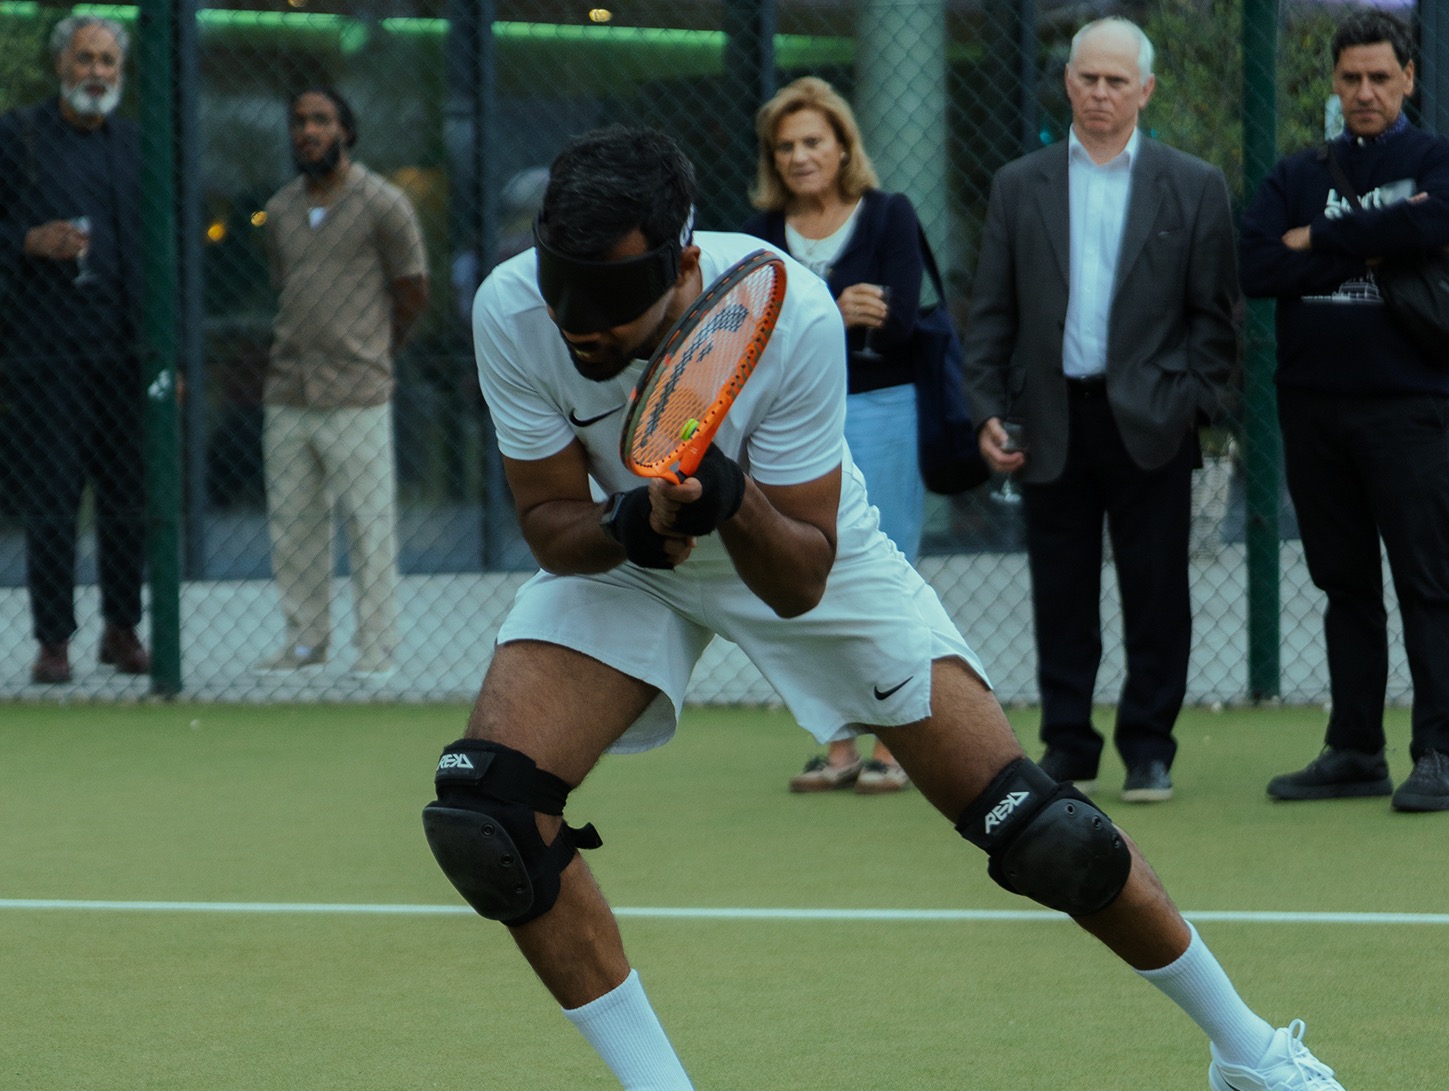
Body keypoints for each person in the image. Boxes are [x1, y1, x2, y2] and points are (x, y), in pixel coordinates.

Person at [422, 124, 1345, 1091]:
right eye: (561, 289)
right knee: (487, 812)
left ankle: (1249, 1052)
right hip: (633, 556)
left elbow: (800, 577)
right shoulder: (511, 309)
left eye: (610, 301)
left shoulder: (790, 312)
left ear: (683, 266)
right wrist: (629, 524)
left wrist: (727, 495)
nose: (579, 327)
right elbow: (549, 523)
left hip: (799, 543)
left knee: (1036, 828)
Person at [963, 17, 1238, 805]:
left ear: (1144, 90)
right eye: (1087, 78)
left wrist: (1189, 402)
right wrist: (986, 407)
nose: (1099, 93)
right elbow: (991, 312)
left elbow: (1216, 317)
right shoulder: (1020, 184)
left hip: (1151, 421)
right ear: (1067, 82)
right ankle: (1068, 744)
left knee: (1156, 594)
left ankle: (1148, 748)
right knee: (1060, 591)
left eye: (1116, 81)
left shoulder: (1192, 184)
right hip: (1051, 418)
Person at [1240, 9, 1449, 813]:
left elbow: (1441, 216)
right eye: (1350, 77)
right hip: (1311, 406)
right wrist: (1383, 239)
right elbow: (1256, 264)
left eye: (1379, 77)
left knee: (1428, 581)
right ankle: (1355, 749)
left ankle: (1441, 751)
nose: (1364, 91)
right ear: (1333, 82)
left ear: (1407, 79)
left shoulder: (1435, 159)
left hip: (1406, 406)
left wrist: (1323, 238)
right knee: (1343, 581)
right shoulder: (1297, 172)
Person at [741, 76, 923, 795]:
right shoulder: (757, 235)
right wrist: (831, 312)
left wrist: (804, 320)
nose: (799, 156)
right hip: (786, 425)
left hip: (880, 408)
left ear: (843, 146)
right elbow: (745, 345)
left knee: (882, 573)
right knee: (804, 573)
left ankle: (895, 745)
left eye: (813, 141)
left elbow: (901, 325)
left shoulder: (888, 216)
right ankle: (838, 746)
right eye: (785, 146)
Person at [254, 87, 428, 681]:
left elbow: (413, 290)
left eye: (322, 120)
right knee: (293, 525)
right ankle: (305, 642)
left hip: (358, 392)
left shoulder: (383, 203)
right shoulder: (279, 210)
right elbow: (285, 288)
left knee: (370, 526)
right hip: (288, 390)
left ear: (346, 131)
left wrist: (376, 350)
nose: (309, 131)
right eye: (299, 121)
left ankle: (377, 647)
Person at [0, 15, 150, 685]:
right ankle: (54, 641)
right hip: (49, 354)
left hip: (125, 353)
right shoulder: (18, 136)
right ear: (61, 65)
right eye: (86, 58)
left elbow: (164, 246)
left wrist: (168, 358)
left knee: (127, 499)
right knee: (54, 499)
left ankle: (122, 630)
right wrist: (27, 240)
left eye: (108, 61)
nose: (97, 72)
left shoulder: (137, 145)